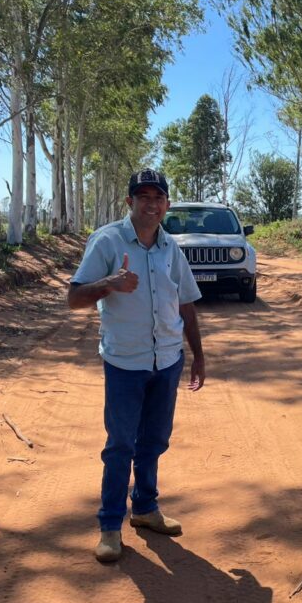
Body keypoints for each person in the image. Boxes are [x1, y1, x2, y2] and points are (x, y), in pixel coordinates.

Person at [68, 169, 206, 562]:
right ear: (129, 202)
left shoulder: (171, 249)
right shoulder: (107, 240)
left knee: (154, 441)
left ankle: (145, 509)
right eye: (142, 196)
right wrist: (109, 283)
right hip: (125, 363)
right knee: (120, 445)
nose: (150, 203)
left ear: (166, 204)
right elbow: (73, 298)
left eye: (157, 197)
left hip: (167, 361)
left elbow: (186, 303)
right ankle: (110, 526)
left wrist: (197, 354)